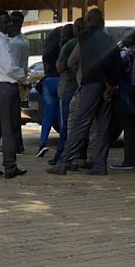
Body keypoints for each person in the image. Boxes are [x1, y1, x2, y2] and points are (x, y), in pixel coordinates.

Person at [48, 9, 122, 176]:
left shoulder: (84, 37)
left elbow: (71, 62)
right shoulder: (110, 40)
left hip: (91, 83)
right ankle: (99, 165)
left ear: (88, 20)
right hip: (108, 86)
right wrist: (111, 85)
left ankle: (64, 162)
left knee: (80, 124)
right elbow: (116, 64)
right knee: (103, 127)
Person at [0, 10, 28, 179]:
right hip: (6, 87)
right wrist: (23, 79)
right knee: (9, 128)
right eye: (5, 22)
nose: (8, 25)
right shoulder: (1, 42)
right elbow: (10, 68)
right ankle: (10, 165)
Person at [52, 18, 84, 165]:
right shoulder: (90, 42)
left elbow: (60, 67)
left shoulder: (70, 45)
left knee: (67, 124)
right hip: (82, 87)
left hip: (68, 87)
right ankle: (80, 154)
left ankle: (62, 154)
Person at [111, 28, 135, 170]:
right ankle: (133, 158)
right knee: (133, 126)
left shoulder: (130, 54)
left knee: (128, 126)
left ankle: (129, 159)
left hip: (128, 92)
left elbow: (120, 69)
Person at [38, 26, 65, 157]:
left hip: (49, 82)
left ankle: (42, 143)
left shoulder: (47, 53)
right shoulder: (65, 49)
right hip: (61, 81)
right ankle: (62, 145)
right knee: (61, 115)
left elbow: (46, 70)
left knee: (48, 116)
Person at [9, 11, 29, 154]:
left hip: (14, 81)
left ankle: (15, 145)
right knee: (15, 115)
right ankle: (17, 144)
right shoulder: (24, 41)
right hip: (20, 80)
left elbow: (13, 66)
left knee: (11, 116)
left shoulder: (15, 44)